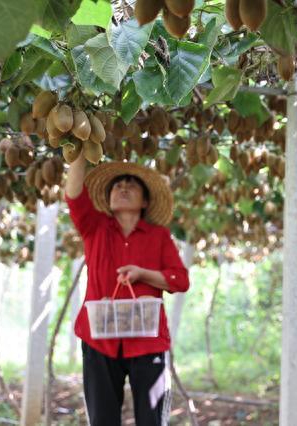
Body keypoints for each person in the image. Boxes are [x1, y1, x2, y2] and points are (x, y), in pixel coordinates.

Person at [66, 151, 190, 426]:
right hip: (99, 340)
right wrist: (76, 148)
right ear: (107, 201)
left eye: (131, 185)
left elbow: (180, 280)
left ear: (145, 201)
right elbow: (73, 196)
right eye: (117, 186)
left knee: (152, 420)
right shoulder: (94, 228)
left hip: (147, 341)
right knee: (102, 420)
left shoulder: (158, 236)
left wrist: (144, 274)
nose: (122, 188)